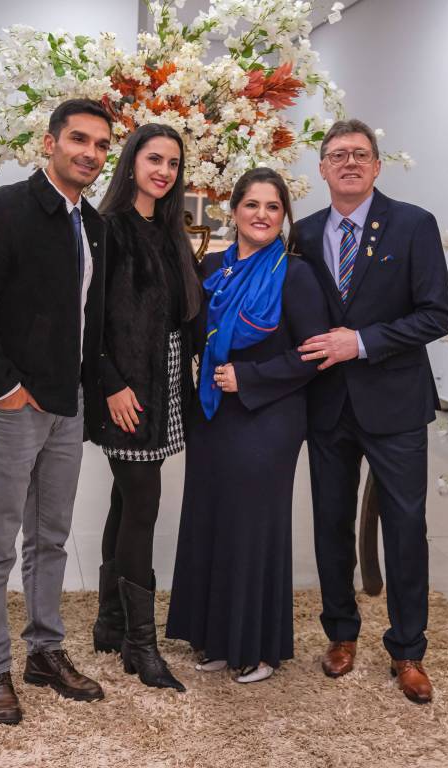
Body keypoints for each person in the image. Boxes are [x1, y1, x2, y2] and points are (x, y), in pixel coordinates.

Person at [0, 99, 112, 724]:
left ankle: (44, 652)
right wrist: (3, 389)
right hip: (13, 406)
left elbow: (86, 319)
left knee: (50, 538)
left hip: (67, 406)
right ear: (49, 143)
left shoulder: (92, 223)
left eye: (101, 145)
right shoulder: (2, 208)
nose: (90, 153)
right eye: (79, 139)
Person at [293, 119, 448, 703]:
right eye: (338, 155)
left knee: (406, 528)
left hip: (395, 404)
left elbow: (436, 315)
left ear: (378, 166)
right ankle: (341, 633)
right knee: (330, 523)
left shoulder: (413, 224)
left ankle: (408, 649)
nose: (350, 163)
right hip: (327, 405)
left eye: (361, 154)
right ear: (323, 168)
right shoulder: (304, 233)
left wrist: (359, 342)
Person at [166, 168, 329, 683]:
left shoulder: (296, 274)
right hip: (213, 415)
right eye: (252, 204)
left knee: (253, 529)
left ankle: (258, 648)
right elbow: (190, 334)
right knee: (211, 520)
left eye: (273, 207)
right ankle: (216, 639)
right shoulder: (211, 266)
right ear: (234, 210)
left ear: (284, 216)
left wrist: (249, 377)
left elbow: (314, 354)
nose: (262, 215)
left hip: (269, 416)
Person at [84, 123, 201, 693]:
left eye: (173, 164)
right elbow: (89, 318)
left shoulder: (170, 230)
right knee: (144, 505)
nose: (164, 171)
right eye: (155, 159)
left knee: (125, 500)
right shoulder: (107, 228)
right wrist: (110, 382)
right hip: (126, 390)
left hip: (165, 383)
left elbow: (182, 312)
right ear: (131, 161)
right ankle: (140, 644)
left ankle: (110, 622)